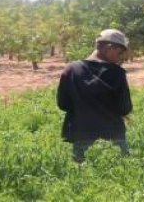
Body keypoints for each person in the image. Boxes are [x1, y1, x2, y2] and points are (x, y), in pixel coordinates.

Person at [57, 29, 133, 163]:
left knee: (84, 179)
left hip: (81, 135)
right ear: (109, 48)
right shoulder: (117, 73)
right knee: (120, 178)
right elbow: (124, 108)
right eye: (119, 52)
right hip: (113, 137)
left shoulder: (71, 70)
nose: (119, 57)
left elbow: (63, 104)